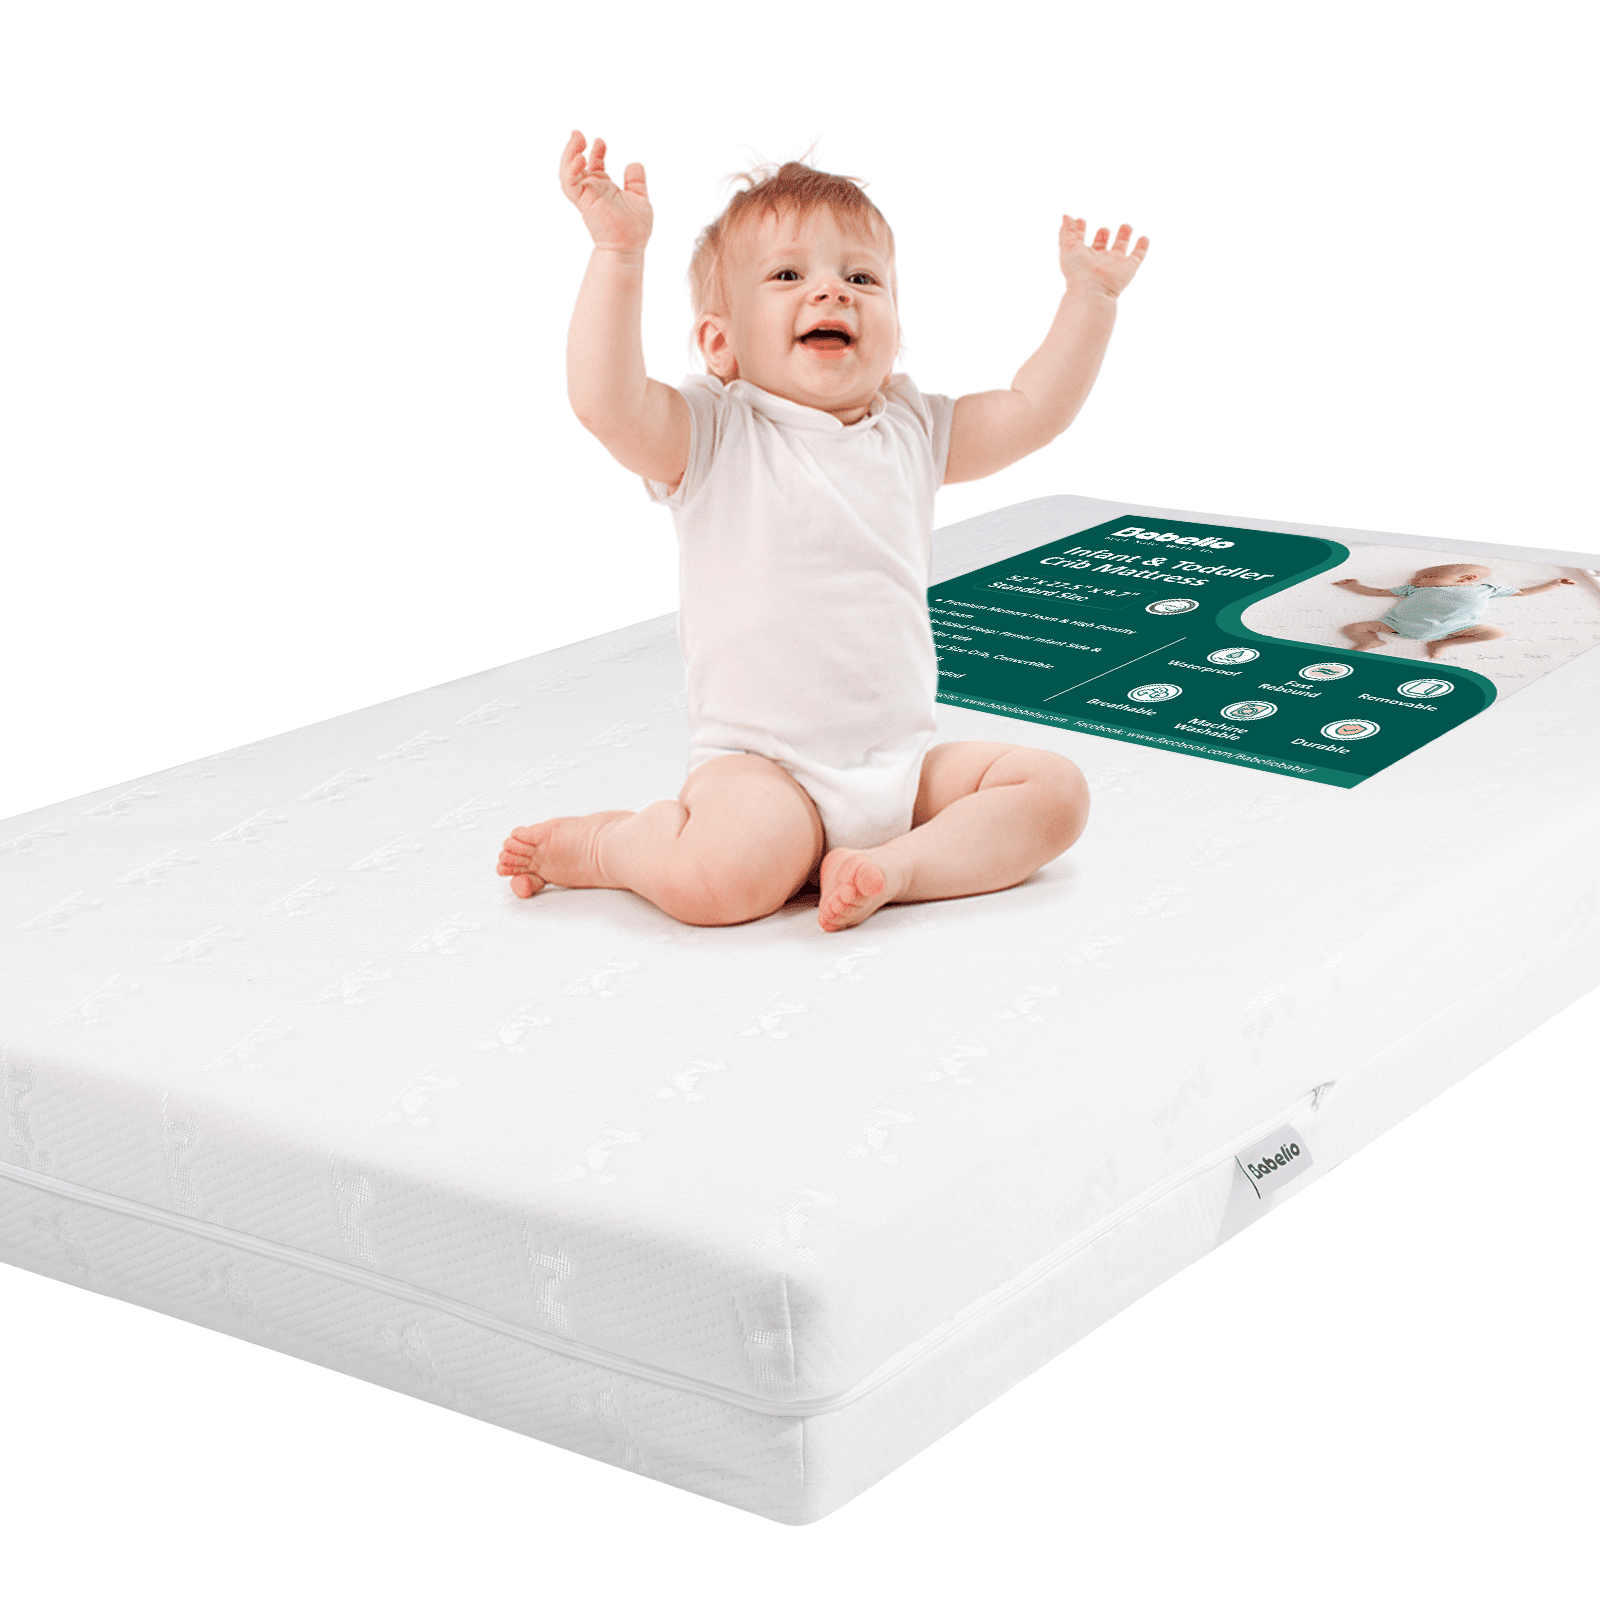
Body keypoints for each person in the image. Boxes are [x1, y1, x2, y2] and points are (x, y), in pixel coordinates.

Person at [497, 131, 1149, 932]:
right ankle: (612, 847)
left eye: (861, 277)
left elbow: (1031, 410)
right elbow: (607, 401)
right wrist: (619, 253)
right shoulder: (713, 436)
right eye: (788, 275)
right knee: (720, 884)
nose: (831, 292)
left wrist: (1091, 300)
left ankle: (893, 868)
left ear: (895, 330)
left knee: (1054, 792)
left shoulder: (911, 427)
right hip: (764, 771)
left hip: (902, 771)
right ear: (720, 343)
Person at [1333, 564, 1575, 659]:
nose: (1417, 579)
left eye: (1426, 577)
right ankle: (1371, 641)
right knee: (1353, 628)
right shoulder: (1411, 589)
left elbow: (1522, 593)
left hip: (1456, 629)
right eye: (1418, 577)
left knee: (1494, 633)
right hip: (1396, 626)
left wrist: (1554, 584)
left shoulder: (1486, 589)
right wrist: (1355, 586)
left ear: (1467, 579)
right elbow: (1379, 593)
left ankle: (1442, 644)